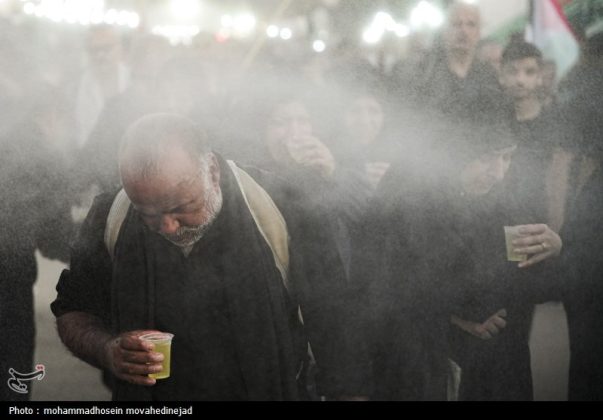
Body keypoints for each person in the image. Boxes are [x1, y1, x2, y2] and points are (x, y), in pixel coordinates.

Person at [51, 113, 360, 401]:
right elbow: (74, 310)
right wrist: (107, 350)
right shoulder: (110, 215)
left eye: (181, 207)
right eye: (148, 214)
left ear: (212, 170)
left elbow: (337, 331)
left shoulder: (286, 208)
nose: (168, 227)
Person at [353, 112, 563, 401]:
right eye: (487, 158)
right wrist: (455, 318)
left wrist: (554, 250)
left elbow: (532, 285)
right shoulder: (408, 203)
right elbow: (385, 291)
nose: (498, 172)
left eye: (507, 158)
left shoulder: (506, 203)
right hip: (426, 362)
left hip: (496, 366)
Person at [498, 40, 573, 231]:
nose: (520, 79)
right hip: (502, 224)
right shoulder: (494, 123)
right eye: (512, 71)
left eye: (529, 72)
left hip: (547, 225)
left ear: (540, 77)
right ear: (502, 76)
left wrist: (555, 232)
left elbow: (559, 183)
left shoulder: (557, 123)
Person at [411, 1, 501, 118]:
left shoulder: (489, 76)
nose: (463, 31)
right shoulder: (426, 75)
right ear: (445, 31)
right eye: (456, 24)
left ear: (478, 32)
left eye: (471, 24)